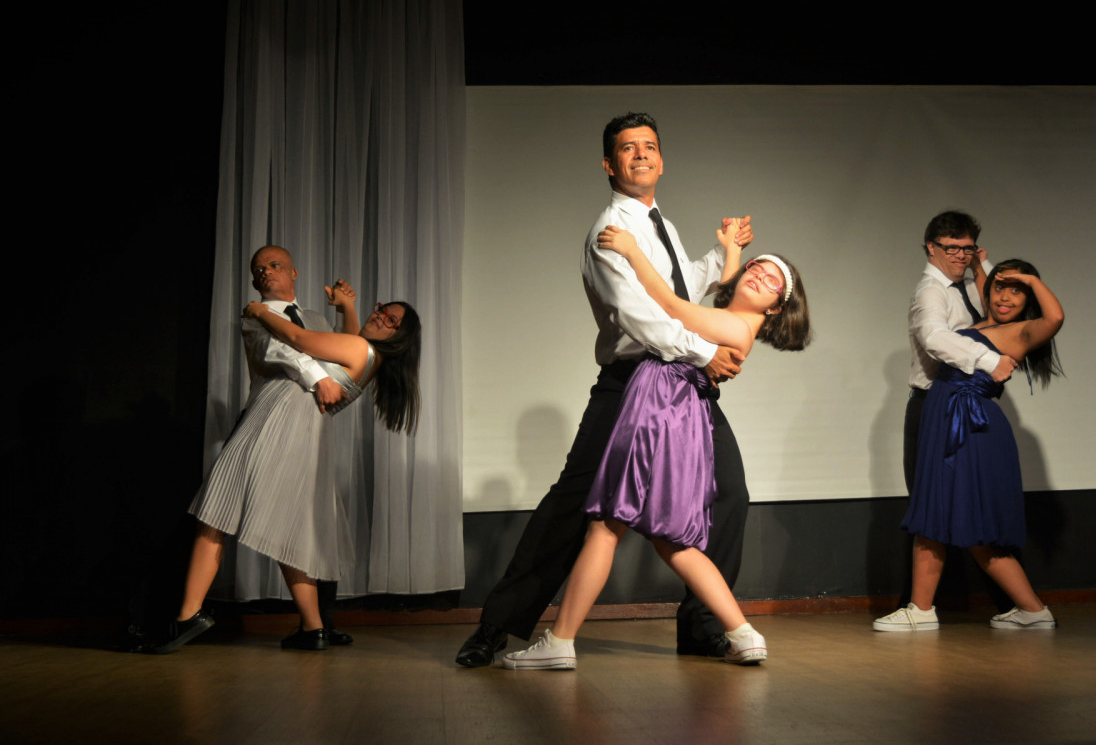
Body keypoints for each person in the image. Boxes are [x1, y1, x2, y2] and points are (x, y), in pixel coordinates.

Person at [456, 112, 755, 667]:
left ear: (661, 159)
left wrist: (722, 254)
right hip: (633, 382)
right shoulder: (607, 231)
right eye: (627, 148)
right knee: (573, 506)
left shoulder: (656, 221)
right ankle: (497, 625)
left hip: (684, 382)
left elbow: (677, 289)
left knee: (730, 496)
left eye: (649, 146)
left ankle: (702, 625)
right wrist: (706, 352)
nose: (641, 155)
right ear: (609, 164)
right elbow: (638, 315)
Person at [502, 221, 811, 669]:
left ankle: (560, 641)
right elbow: (725, 291)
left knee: (606, 527)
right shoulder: (733, 317)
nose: (758, 275)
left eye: (771, 281)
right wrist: (729, 252)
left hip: (659, 409)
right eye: (757, 268)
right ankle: (743, 632)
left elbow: (668, 305)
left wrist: (630, 251)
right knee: (671, 540)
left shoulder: (734, 326)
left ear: (779, 307)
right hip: (672, 408)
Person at [151, 246, 420, 653]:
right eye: (382, 309)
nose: (380, 316)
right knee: (287, 527)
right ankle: (312, 627)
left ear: (293, 272)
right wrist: (348, 308)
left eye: (391, 320)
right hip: (293, 427)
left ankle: (188, 616)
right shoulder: (362, 352)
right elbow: (324, 346)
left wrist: (260, 312)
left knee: (216, 510)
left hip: (277, 422)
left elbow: (296, 341)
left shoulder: (327, 337)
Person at [874, 259, 1063, 631]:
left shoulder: (1020, 332)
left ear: (1028, 299)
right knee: (941, 514)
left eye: (1017, 290)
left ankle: (923, 610)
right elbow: (985, 282)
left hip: (972, 426)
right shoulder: (978, 324)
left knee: (960, 518)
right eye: (1000, 287)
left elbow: (1054, 318)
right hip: (946, 420)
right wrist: (981, 265)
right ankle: (1029, 610)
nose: (1006, 296)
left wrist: (1027, 277)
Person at [897, 211, 1020, 612]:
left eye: (968, 248)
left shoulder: (965, 285)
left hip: (959, 408)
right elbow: (935, 337)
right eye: (952, 248)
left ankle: (1015, 606)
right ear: (932, 247)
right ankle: (921, 607)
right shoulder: (930, 291)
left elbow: (994, 309)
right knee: (930, 508)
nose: (961, 255)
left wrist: (984, 265)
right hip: (932, 408)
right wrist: (988, 361)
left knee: (966, 506)